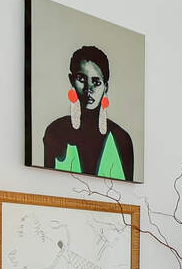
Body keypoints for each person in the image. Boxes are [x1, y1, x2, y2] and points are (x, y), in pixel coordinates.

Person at [41, 44, 135, 181]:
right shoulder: (55, 131)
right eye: (82, 79)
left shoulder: (121, 139)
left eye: (96, 82)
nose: (88, 89)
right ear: (71, 80)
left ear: (105, 87)